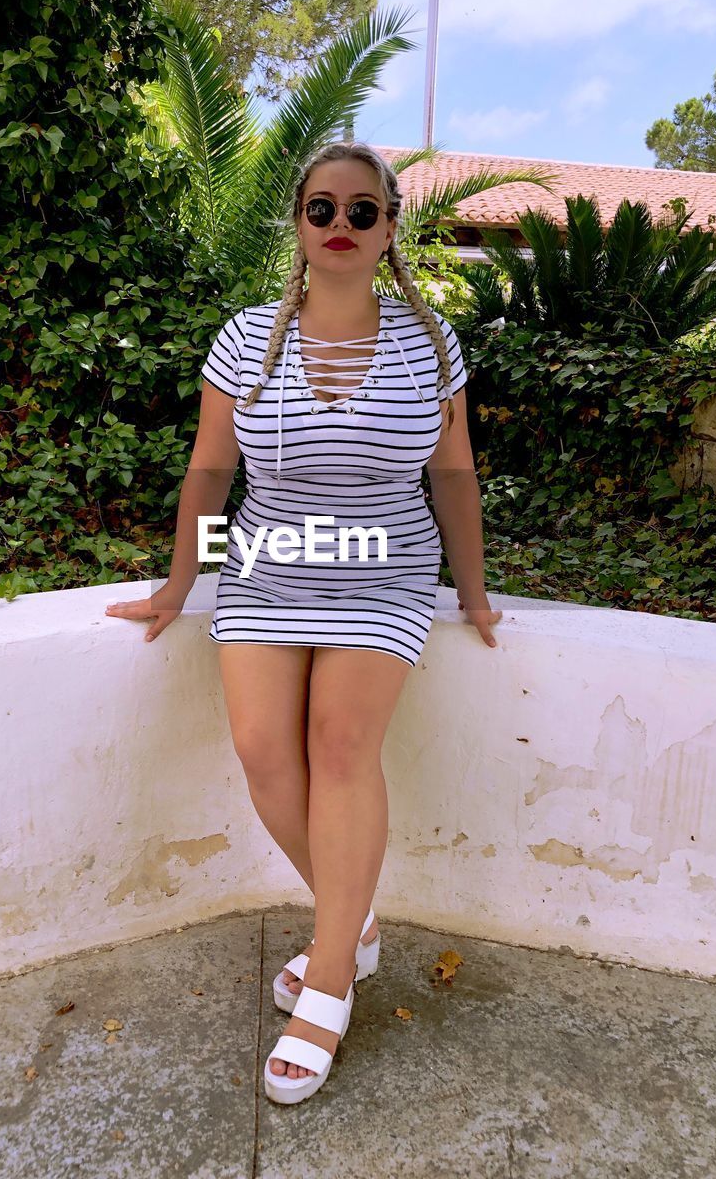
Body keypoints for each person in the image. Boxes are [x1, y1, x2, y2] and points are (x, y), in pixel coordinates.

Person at [105, 140, 501, 1105]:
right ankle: (353, 923)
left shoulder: (432, 343)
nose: (339, 226)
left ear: (390, 229)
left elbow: (452, 473)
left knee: (339, 744)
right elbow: (210, 469)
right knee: (260, 749)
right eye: (322, 208)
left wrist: (474, 590)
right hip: (268, 566)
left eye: (362, 212)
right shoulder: (247, 339)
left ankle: (328, 980)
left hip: (384, 571)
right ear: (298, 223)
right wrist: (177, 581)